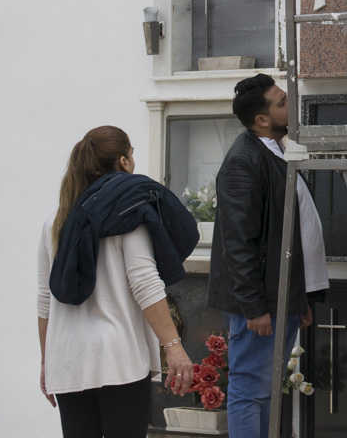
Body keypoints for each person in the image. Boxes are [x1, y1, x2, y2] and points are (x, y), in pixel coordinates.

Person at [37, 125, 198, 438]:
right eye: (132, 155)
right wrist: (174, 347)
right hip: (118, 359)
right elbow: (145, 284)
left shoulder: (55, 219)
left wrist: (47, 361)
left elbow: (45, 298)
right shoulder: (128, 213)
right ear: (124, 162)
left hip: (67, 359)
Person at [208, 73, 328, 438]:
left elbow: (289, 231)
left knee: (265, 389)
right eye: (281, 102)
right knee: (249, 389)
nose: (289, 104)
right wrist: (254, 306)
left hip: (282, 296)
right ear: (262, 120)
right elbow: (238, 242)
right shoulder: (244, 162)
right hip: (261, 301)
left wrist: (300, 298)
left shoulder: (273, 150)